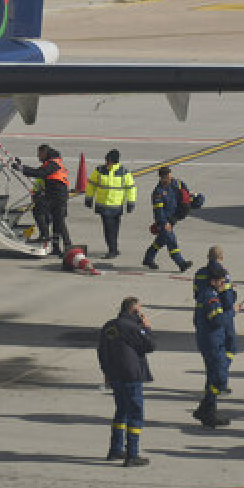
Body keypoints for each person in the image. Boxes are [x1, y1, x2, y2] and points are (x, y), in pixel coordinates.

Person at [97, 296, 154, 467]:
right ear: (134, 310)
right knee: (135, 414)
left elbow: (101, 351)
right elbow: (150, 345)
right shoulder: (132, 327)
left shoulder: (109, 326)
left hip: (114, 375)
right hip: (130, 376)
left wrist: (106, 371)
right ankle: (132, 454)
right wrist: (147, 328)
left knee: (121, 411)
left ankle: (115, 449)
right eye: (139, 310)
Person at [194, 245, 242, 391]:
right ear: (221, 258)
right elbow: (227, 299)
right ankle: (220, 379)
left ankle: (214, 381)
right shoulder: (223, 274)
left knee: (211, 357)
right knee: (228, 348)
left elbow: (196, 294)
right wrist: (233, 299)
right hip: (222, 315)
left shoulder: (199, 273)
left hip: (202, 315)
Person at [192, 263, 232, 428]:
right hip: (212, 341)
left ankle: (207, 408)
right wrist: (232, 312)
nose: (224, 283)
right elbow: (217, 320)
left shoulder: (207, 294)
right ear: (214, 281)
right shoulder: (211, 297)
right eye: (222, 280)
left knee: (212, 376)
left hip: (209, 339)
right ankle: (208, 409)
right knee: (217, 376)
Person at [14, 145, 71, 255]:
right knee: (58, 221)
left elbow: (40, 173)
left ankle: (46, 236)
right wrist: (22, 167)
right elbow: (39, 172)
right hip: (56, 195)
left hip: (56, 196)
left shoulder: (52, 164)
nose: (37, 156)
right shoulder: (53, 162)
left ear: (45, 153)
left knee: (38, 210)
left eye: (39, 154)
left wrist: (22, 168)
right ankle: (60, 246)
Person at [84, 149, 136, 259]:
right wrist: (89, 198)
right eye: (106, 159)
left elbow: (130, 188)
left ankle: (113, 249)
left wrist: (131, 202)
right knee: (109, 229)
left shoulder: (124, 172)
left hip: (117, 207)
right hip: (104, 206)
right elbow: (91, 184)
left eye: (108, 160)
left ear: (114, 161)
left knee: (114, 229)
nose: (106, 162)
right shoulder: (99, 170)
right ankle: (112, 249)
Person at [143, 166, 193, 272]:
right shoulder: (158, 192)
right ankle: (181, 263)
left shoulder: (176, 183)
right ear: (162, 178)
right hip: (163, 221)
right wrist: (164, 223)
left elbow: (185, 193)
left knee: (160, 241)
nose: (170, 178)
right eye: (168, 177)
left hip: (173, 218)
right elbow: (158, 211)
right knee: (171, 241)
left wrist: (191, 198)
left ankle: (148, 258)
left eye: (170, 176)